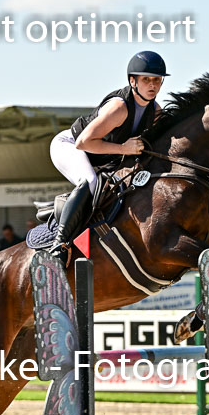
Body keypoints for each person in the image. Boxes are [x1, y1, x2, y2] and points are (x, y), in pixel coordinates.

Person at [48, 50, 167, 261]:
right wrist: (123, 149)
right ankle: (59, 245)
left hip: (100, 156)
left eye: (156, 80)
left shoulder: (155, 110)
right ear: (133, 81)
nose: (152, 85)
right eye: (146, 79)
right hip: (69, 145)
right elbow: (83, 142)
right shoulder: (119, 108)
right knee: (90, 181)